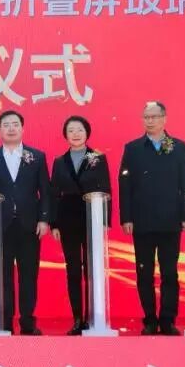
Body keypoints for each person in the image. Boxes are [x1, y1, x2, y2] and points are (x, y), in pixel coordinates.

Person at [118, 101, 185, 336]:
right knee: (144, 272)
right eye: (146, 117)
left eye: (154, 116)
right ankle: (150, 320)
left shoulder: (179, 147)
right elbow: (125, 185)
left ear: (164, 118)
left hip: (171, 220)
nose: (149, 121)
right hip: (142, 221)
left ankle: (168, 320)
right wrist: (126, 217)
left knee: (170, 272)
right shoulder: (133, 148)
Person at [0, 110, 51, 335]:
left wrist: (44, 218)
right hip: (0, 227)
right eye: (6, 125)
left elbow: (45, 191)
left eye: (15, 124)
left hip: (29, 225)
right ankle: (5, 322)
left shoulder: (36, 156)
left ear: (22, 128)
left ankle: (28, 322)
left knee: (29, 275)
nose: (11, 128)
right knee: (3, 277)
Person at [50, 115, 111, 335]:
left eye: (79, 130)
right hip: (68, 220)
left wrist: (104, 221)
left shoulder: (98, 158)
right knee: (73, 270)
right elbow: (54, 193)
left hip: (92, 217)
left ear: (87, 133)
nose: (75, 134)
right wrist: (54, 224)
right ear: (65, 135)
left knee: (92, 269)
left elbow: (106, 189)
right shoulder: (59, 161)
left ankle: (95, 316)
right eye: (71, 130)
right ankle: (78, 318)